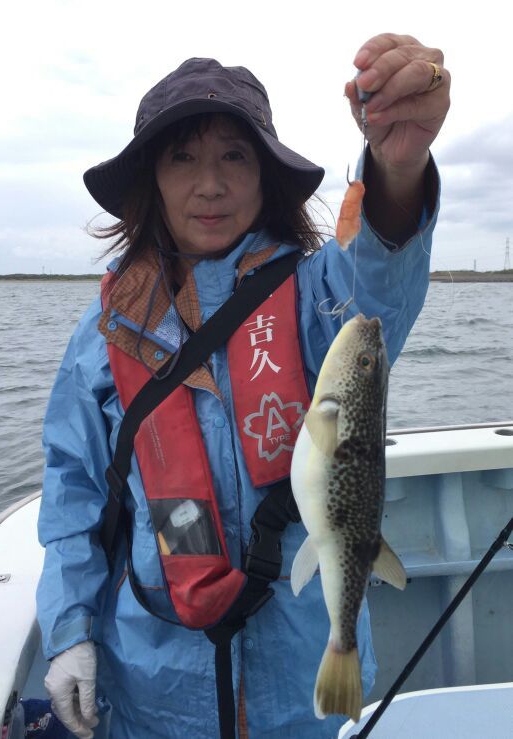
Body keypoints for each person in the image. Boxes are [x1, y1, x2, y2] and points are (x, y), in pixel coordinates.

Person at [37, 33, 450, 739]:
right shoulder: (102, 335)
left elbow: (379, 278)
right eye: (182, 158)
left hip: (299, 684)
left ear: (265, 176)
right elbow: (73, 491)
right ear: (150, 180)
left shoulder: (319, 297)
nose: (210, 184)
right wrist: (69, 628)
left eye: (235, 156)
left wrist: (398, 167)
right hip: (151, 688)